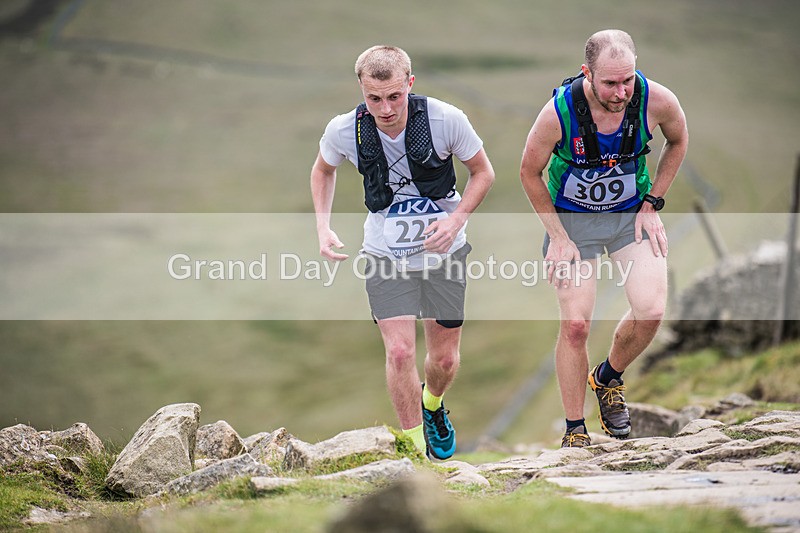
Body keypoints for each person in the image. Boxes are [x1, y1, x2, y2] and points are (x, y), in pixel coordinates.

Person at [311, 45, 495, 459]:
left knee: (443, 361)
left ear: (410, 83)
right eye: (374, 98)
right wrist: (322, 226)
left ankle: (433, 404)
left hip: (444, 251)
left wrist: (455, 221)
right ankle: (416, 453)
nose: (386, 108)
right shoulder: (344, 129)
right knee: (399, 351)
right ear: (362, 91)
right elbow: (323, 170)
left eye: (395, 96)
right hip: (384, 252)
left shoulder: (446, 119)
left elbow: (483, 172)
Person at [519, 29, 688, 447]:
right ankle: (575, 431)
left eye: (627, 79)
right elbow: (529, 172)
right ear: (587, 73)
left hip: (630, 218)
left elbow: (678, 139)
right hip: (573, 224)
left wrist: (653, 202)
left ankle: (608, 378)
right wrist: (557, 236)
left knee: (651, 310)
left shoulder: (656, 100)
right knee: (576, 326)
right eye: (610, 82)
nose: (621, 92)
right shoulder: (558, 113)